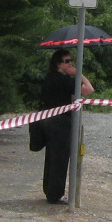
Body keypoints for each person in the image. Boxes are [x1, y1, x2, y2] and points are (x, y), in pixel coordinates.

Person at [40, 48, 93, 204]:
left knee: (51, 156)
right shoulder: (63, 80)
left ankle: (49, 189)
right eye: (67, 61)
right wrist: (79, 74)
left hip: (48, 120)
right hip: (60, 122)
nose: (70, 64)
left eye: (71, 61)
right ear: (58, 64)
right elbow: (89, 89)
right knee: (60, 159)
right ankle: (55, 194)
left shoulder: (49, 77)